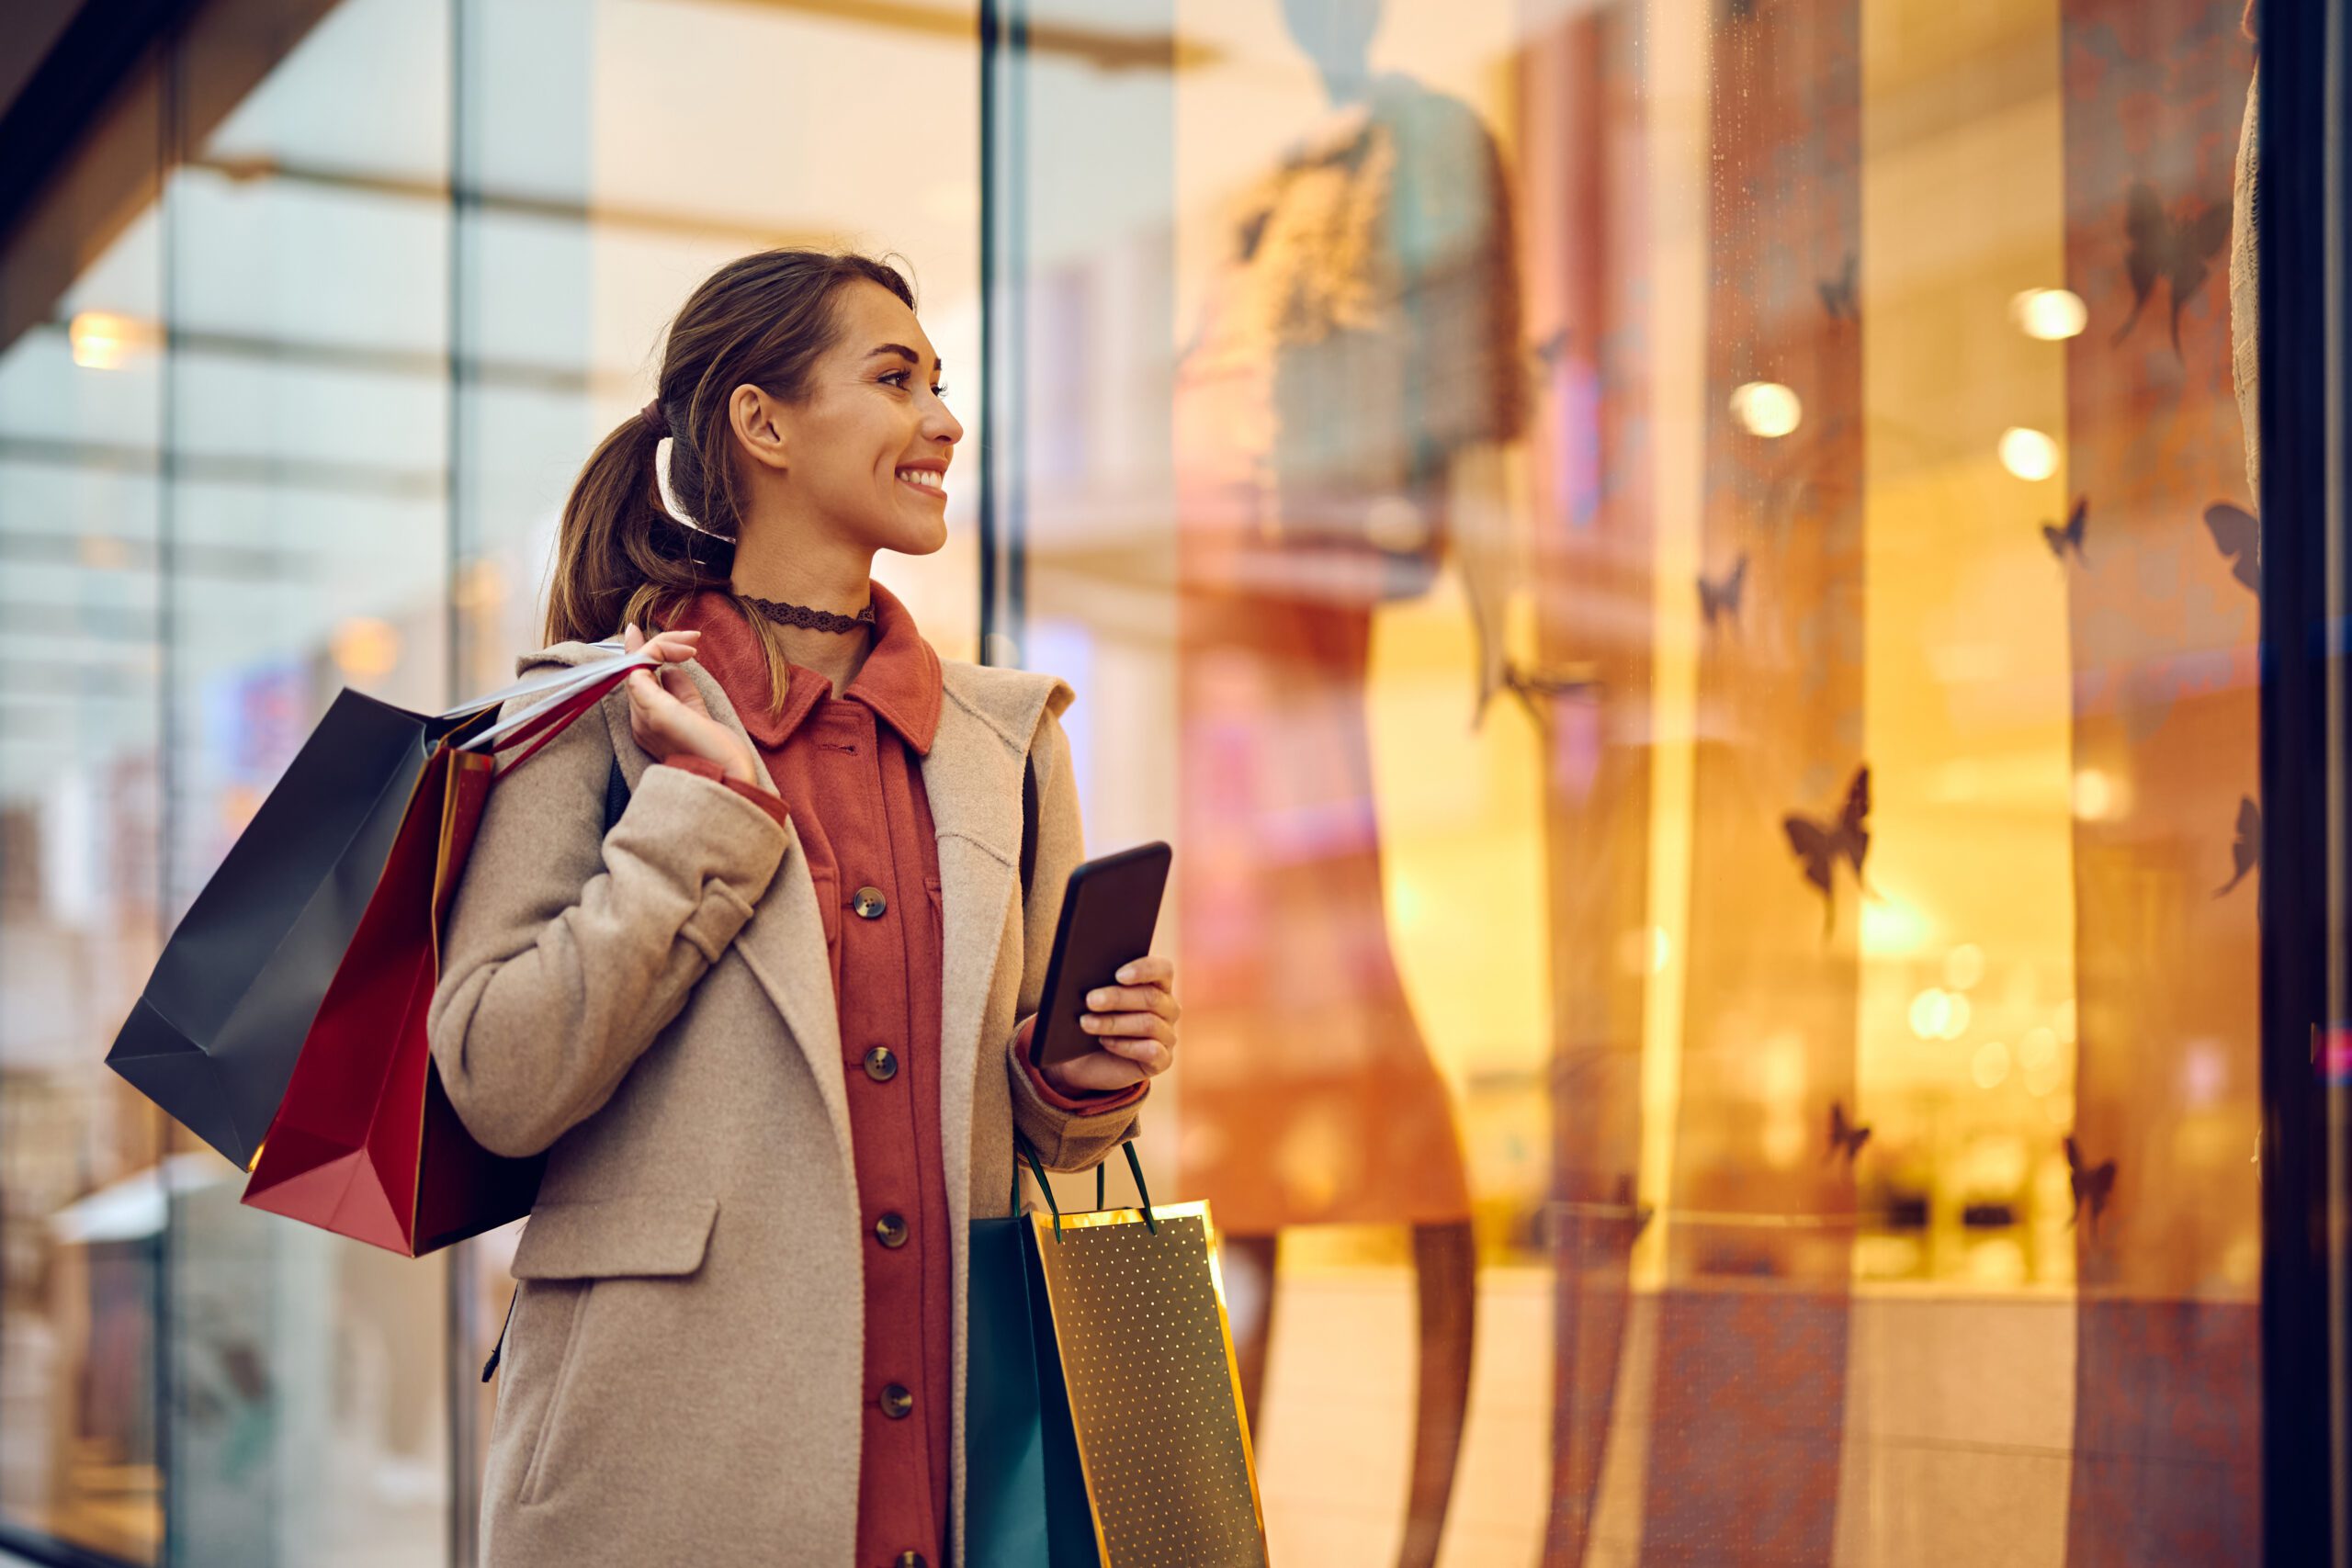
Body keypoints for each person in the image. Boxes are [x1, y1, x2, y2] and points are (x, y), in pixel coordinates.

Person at [425, 249, 1178, 1568]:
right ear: (761, 424)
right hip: (669, 1458)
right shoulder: (594, 708)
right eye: (896, 379)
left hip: (960, 1460)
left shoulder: (1008, 743)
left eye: (941, 384)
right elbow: (499, 1074)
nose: (944, 419)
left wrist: (1087, 1076)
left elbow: (1047, 1133)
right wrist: (694, 826)